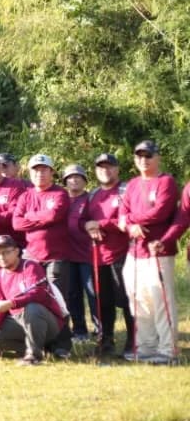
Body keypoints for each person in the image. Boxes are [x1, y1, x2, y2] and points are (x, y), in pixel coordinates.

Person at [120, 140, 179, 363]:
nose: (143, 160)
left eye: (148, 156)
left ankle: (167, 349)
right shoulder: (133, 184)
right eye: (139, 156)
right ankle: (145, 346)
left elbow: (160, 213)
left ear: (158, 157)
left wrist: (129, 222)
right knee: (138, 300)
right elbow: (122, 213)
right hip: (135, 252)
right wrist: (128, 225)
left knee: (161, 301)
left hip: (159, 251)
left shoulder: (166, 182)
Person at [0, 235, 65, 365]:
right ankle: (41, 349)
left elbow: (37, 293)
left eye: (6, 252)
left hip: (45, 320)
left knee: (32, 308)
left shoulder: (30, 266)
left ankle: (34, 356)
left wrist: (12, 303)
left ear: (17, 251)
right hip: (17, 320)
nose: (1, 257)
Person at [11, 154, 74, 358]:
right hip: (32, 257)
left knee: (58, 299)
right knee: (36, 298)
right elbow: (16, 223)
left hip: (56, 256)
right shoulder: (25, 196)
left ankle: (62, 344)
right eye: (35, 170)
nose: (39, 173)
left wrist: (30, 217)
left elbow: (54, 215)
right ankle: (44, 341)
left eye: (43, 169)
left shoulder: (60, 194)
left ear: (51, 172)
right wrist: (40, 219)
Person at [83, 153, 134, 357]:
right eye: (101, 167)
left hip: (123, 254)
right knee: (103, 302)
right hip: (98, 256)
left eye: (110, 166)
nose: (106, 170)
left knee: (127, 300)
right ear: (96, 171)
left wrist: (100, 224)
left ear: (117, 169)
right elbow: (83, 219)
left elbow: (128, 219)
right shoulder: (93, 194)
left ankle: (133, 342)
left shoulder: (125, 190)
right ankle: (106, 341)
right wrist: (88, 226)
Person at [61, 164, 97, 342]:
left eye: (78, 177)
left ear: (84, 180)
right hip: (67, 255)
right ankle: (79, 330)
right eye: (70, 177)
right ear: (65, 181)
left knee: (93, 293)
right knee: (72, 294)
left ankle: (101, 331)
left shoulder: (91, 199)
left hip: (88, 255)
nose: (74, 180)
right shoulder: (61, 199)